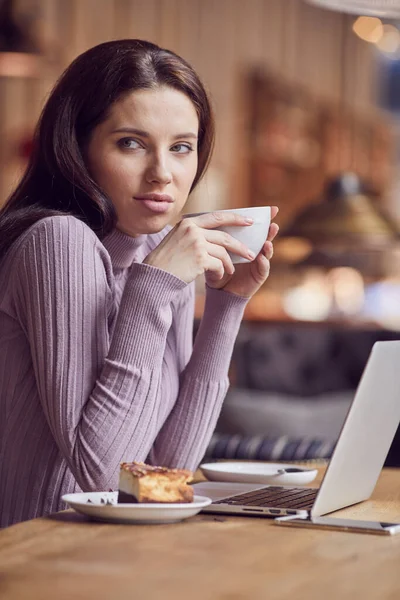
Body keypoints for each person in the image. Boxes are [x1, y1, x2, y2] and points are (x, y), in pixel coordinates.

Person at [0, 39, 278, 527]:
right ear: (76, 147)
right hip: (39, 562)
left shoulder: (158, 253)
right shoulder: (58, 242)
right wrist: (153, 290)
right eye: (131, 143)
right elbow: (107, 479)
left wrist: (225, 306)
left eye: (181, 148)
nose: (162, 174)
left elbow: (169, 472)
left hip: (123, 554)